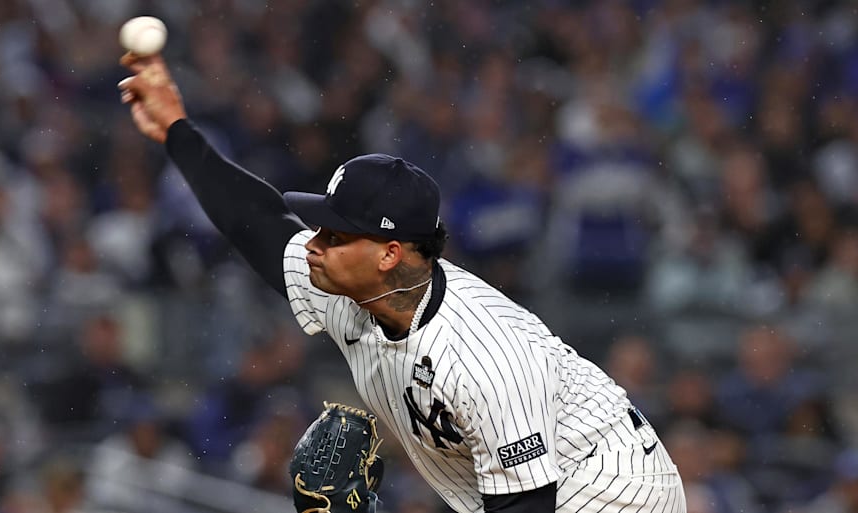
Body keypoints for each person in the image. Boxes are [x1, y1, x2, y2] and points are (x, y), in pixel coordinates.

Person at [117, 52, 686, 513]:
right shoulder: (350, 287)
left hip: (615, 493)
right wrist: (177, 130)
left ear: (390, 254)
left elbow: (525, 506)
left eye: (335, 235)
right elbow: (259, 222)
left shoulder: (484, 356)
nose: (314, 244)